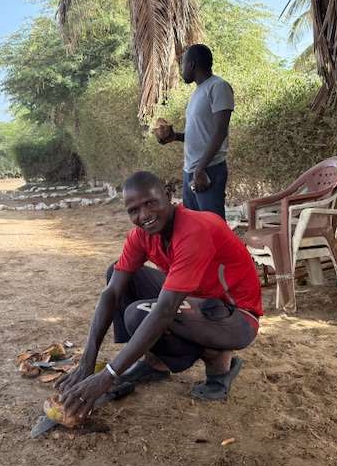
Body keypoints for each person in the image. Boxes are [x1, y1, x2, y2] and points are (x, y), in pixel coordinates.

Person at [57, 171, 262, 421]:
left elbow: (165, 310)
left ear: (168, 195)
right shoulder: (142, 235)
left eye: (150, 203)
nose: (144, 215)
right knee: (118, 276)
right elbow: (111, 293)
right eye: (133, 210)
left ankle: (218, 361)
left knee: (139, 314)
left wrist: (107, 376)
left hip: (236, 317)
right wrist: (87, 363)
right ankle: (156, 363)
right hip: (195, 302)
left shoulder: (194, 229)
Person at [155, 44, 234, 220]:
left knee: (212, 225)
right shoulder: (198, 92)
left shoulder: (218, 86)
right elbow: (201, 134)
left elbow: (220, 131)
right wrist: (174, 136)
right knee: (194, 224)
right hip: (191, 170)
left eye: (183, 64)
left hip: (209, 169)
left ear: (191, 64)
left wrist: (200, 169)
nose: (181, 70)